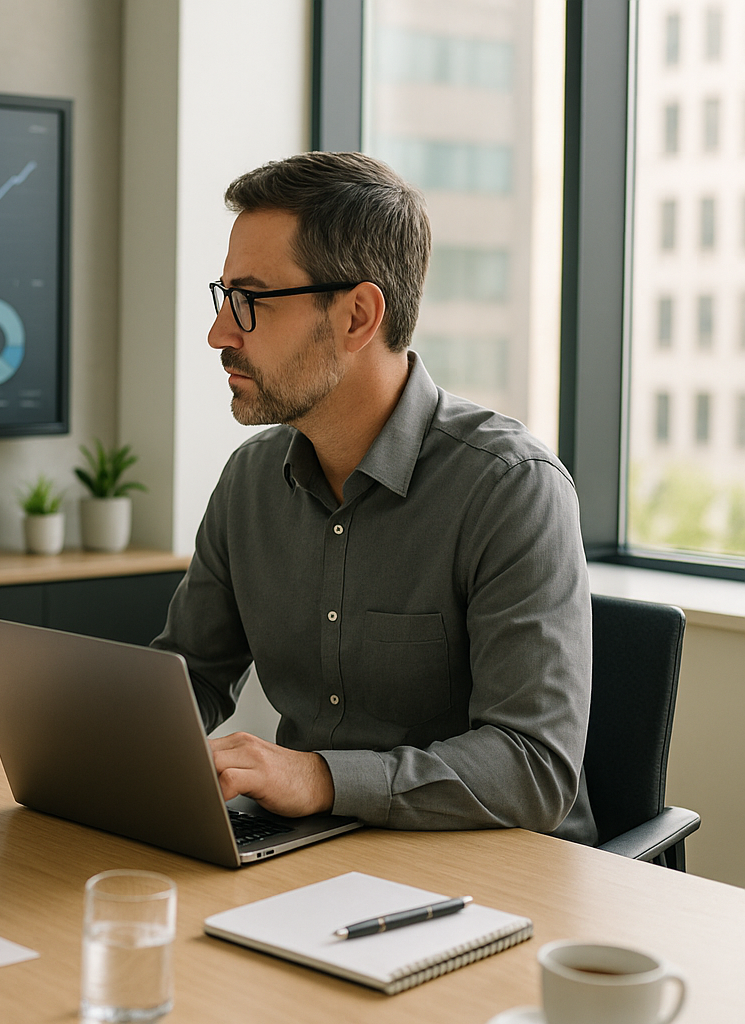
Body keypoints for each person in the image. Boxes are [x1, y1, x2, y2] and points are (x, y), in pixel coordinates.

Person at [152, 151, 595, 842]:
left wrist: (320, 777)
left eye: (250, 301)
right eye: (223, 297)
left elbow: (533, 766)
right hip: (309, 850)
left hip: (496, 873)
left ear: (358, 316)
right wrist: (102, 736)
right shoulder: (249, 482)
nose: (219, 334)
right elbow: (193, 675)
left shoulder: (511, 488)